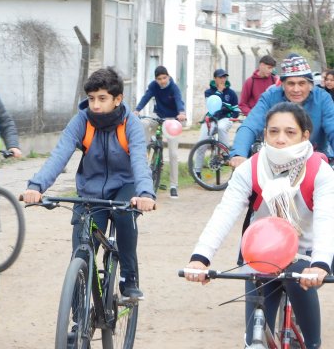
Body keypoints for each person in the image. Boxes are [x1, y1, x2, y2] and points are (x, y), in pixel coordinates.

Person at [183, 102, 334, 348]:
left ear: (305, 135)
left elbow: (327, 219)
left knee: (299, 284)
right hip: (261, 253)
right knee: (255, 333)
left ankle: (313, 343)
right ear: (265, 134)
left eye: (290, 132)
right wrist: (201, 257)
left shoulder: (320, 171)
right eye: (273, 132)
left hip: (307, 252)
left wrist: (319, 264)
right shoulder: (250, 169)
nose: (280, 139)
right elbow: (225, 213)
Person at [22, 67, 156, 301]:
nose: (95, 105)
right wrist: (36, 186)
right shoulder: (81, 121)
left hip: (126, 186)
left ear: (117, 100)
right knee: (81, 255)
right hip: (90, 190)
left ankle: (128, 277)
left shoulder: (130, 124)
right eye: (91, 99)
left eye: (102, 99)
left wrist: (145, 193)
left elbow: (139, 162)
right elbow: (59, 155)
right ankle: (76, 325)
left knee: (125, 215)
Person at [229, 54, 334, 168]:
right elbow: (250, 124)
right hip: (277, 160)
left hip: (314, 158)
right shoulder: (270, 96)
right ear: (283, 85)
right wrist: (239, 153)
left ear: (310, 85)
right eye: (291, 83)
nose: (296, 89)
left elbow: (332, 127)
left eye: (301, 83)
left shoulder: (323, 98)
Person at [133, 65, 186, 199]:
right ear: (155, 79)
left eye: (164, 78)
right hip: (158, 116)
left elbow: (179, 100)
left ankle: (173, 185)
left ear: (168, 77)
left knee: (173, 154)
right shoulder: (153, 86)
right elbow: (146, 97)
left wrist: (181, 113)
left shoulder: (173, 87)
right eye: (159, 79)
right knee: (143, 123)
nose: (162, 81)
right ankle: (147, 145)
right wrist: (137, 110)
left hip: (172, 119)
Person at [191, 68, 240, 178]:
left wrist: (231, 115)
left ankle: (225, 154)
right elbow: (213, 106)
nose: (223, 79)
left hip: (225, 119)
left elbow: (236, 110)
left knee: (222, 127)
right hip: (211, 118)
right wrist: (219, 92)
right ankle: (197, 171)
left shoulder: (231, 93)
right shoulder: (208, 92)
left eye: (224, 77)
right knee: (201, 143)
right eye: (220, 77)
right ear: (215, 79)